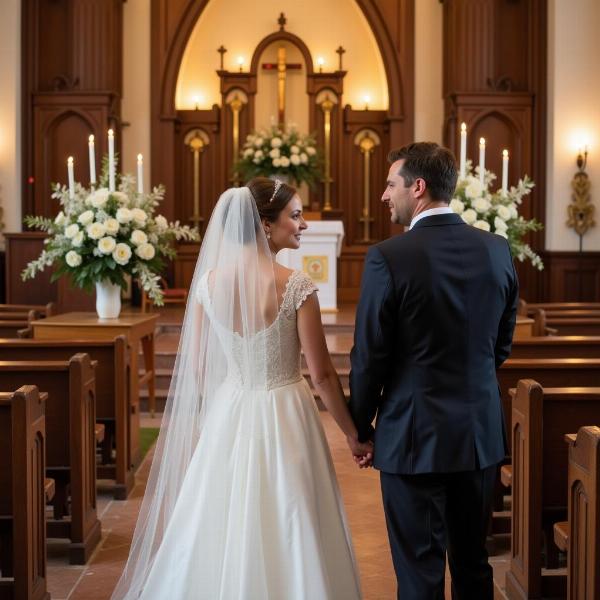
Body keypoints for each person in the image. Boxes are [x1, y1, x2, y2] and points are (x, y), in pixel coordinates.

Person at [111, 177, 371, 600]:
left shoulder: (208, 283)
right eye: (296, 215)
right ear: (266, 224)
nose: (303, 225)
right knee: (292, 513)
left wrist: (223, 407)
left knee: (222, 514)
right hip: (286, 409)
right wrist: (353, 434)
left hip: (230, 409)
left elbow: (196, 366)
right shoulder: (295, 285)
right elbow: (322, 377)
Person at [349, 142, 518, 599]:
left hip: (412, 437)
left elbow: (370, 356)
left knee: (420, 574)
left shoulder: (388, 257)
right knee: (473, 565)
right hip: (478, 435)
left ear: (417, 188)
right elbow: (500, 344)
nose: (385, 195)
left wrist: (360, 427)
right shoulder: (497, 250)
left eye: (390, 184)